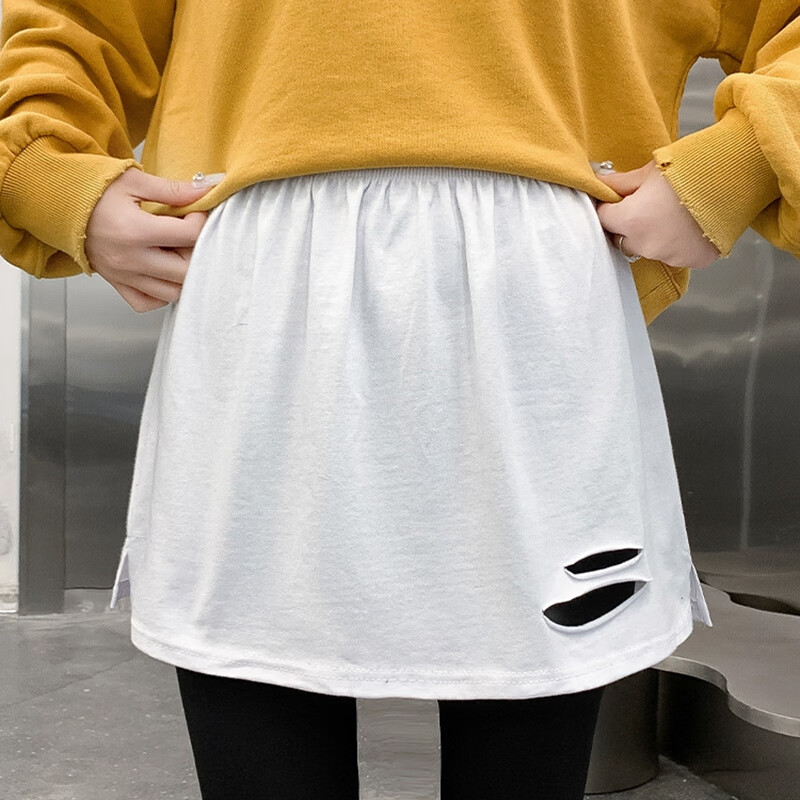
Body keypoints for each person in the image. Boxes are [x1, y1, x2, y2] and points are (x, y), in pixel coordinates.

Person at [1, 2, 799, 798]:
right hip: (265, 313)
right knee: (261, 723)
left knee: (527, 736)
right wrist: (46, 174)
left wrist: (738, 164)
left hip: (535, 320)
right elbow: (73, 24)